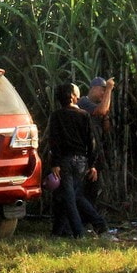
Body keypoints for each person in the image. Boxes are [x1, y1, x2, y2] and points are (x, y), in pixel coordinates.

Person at [46, 82, 108, 238]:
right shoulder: (84, 115)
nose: (79, 96)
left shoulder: (56, 116)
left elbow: (54, 141)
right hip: (81, 162)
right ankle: (61, 231)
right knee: (75, 196)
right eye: (77, 93)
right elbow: (91, 142)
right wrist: (92, 164)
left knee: (69, 198)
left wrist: (55, 163)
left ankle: (79, 233)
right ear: (72, 97)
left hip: (65, 162)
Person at [77, 76, 115, 205]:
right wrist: (110, 88)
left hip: (95, 153)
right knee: (82, 189)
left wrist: (106, 116)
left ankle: (87, 220)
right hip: (84, 153)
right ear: (93, 89)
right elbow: (102, 110)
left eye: (106, 90)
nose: (104, 94)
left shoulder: (97, 106)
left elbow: (106, 128)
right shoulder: (83, 102)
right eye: (102, 90)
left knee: (92, 189)